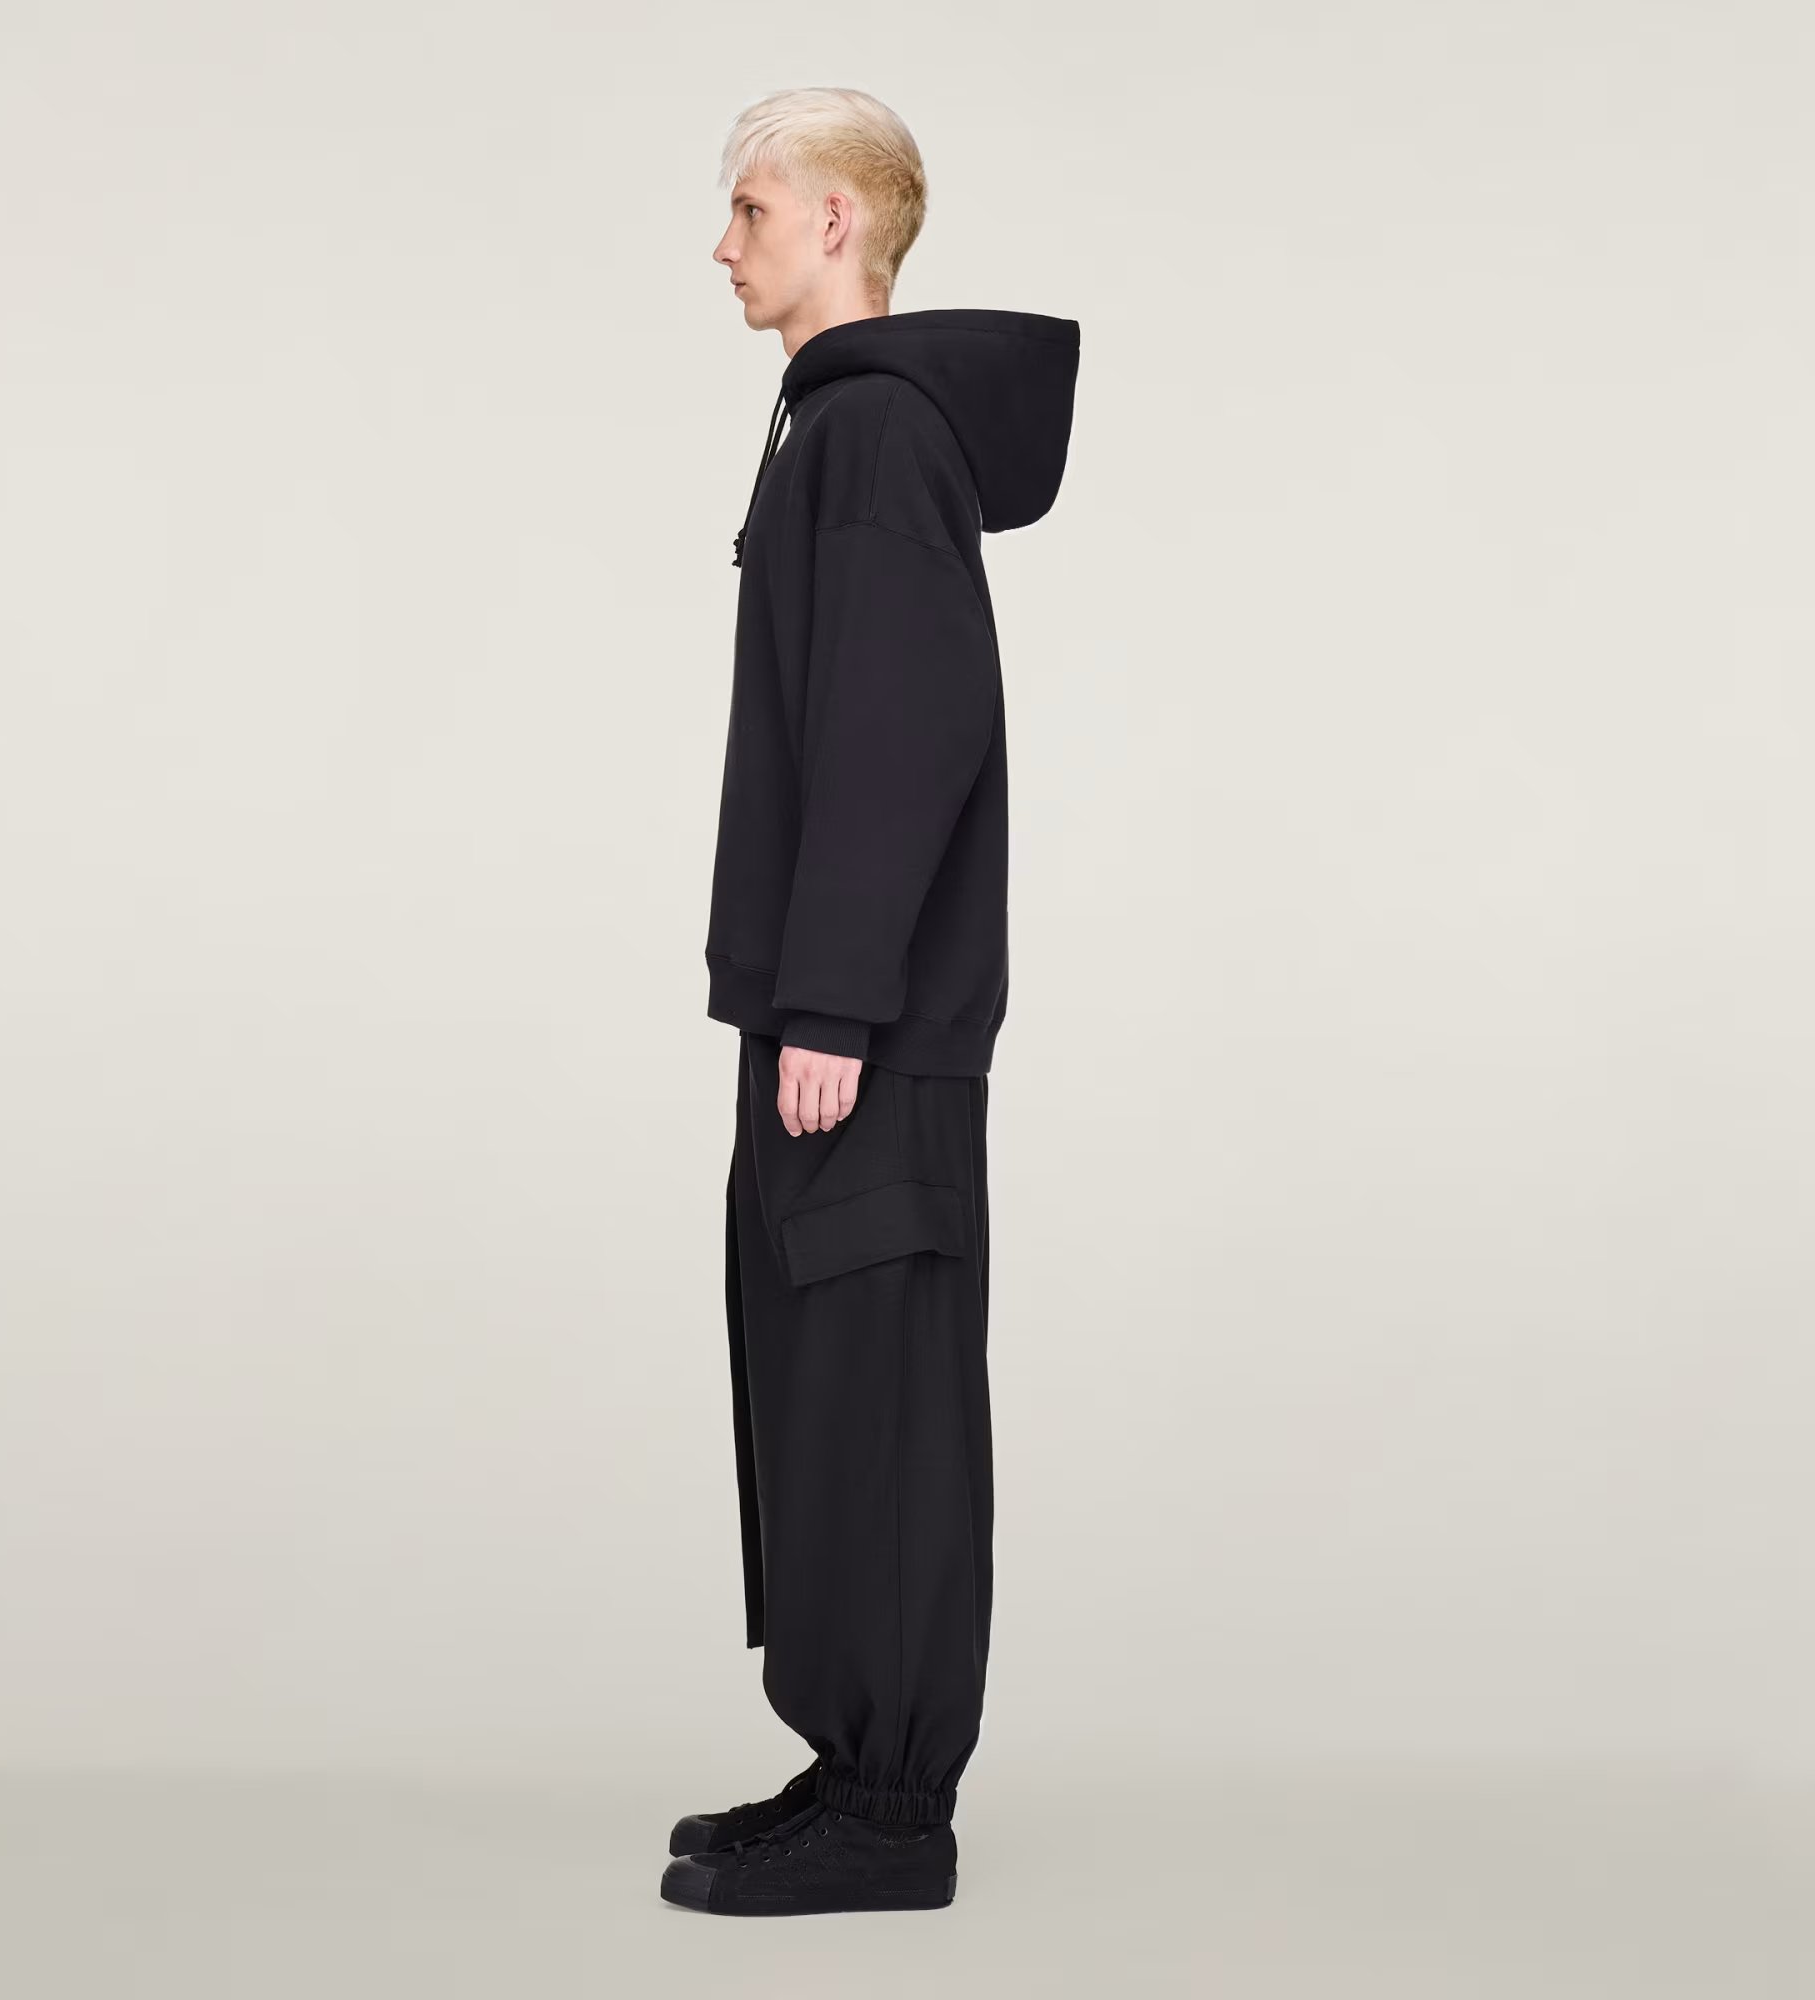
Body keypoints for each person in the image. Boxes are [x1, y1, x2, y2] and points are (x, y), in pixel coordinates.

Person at [660, 86, 1078, 1918]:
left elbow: (907, 730)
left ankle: (898, 1814)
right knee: (822, 1388)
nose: (724, 243)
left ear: (838, 222)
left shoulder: (879, 437)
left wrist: (832, 1003)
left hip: (869, 1031)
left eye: (751, 209)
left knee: (881, 1393)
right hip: (825, 1016)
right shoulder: (835, 429)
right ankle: (851, 1764)